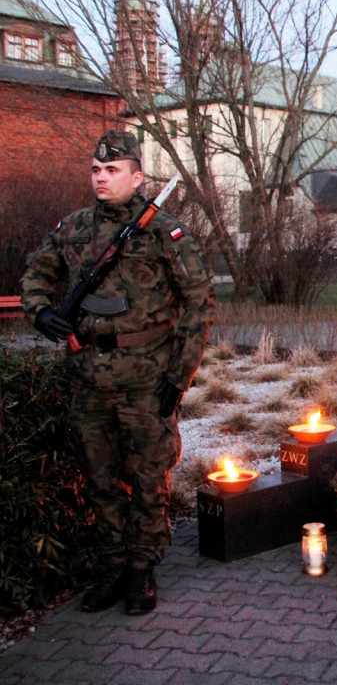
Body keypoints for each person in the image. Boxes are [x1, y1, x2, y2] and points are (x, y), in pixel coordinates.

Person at [20, 130, 215, 615]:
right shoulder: (75, 227)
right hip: (87, 376)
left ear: (136, 176)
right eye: (95, 170)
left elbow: (198, 303)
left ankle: (142, 571)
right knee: (102, 478)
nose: (101, 178)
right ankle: (112, 565)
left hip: (147, 376)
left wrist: (179, 375)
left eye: (112, 170)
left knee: (149, 476)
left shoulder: (163, 231)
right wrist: (40, 310)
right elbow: (36, 272)